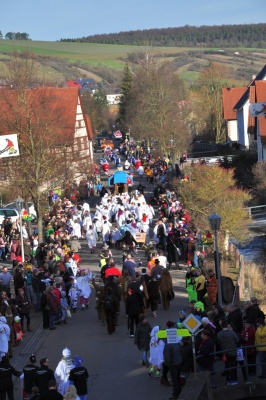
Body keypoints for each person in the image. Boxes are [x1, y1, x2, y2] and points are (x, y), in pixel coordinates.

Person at [217, 319, 239, 385]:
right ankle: (234, 380)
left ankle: (228, 380)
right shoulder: (232, 333)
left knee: (227, 366)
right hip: (233, 352)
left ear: (221, 326)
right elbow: (237, 340)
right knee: (233, 366)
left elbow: (218, 342)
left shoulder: (219, 334)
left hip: (225, 352)